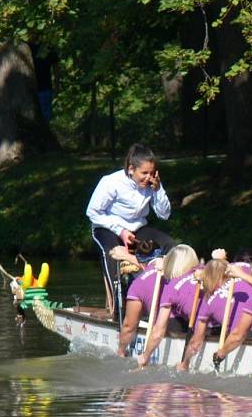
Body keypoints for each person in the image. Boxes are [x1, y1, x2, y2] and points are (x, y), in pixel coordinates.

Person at [86, 143, 175, 318]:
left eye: (152, 173)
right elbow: (92, 212)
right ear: (131, 169)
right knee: (111, 254)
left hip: (137, 228)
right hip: (107, 228)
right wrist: (119, 230)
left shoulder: (153, 184)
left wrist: (157, 190)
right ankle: (117, 309)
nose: (148, 178)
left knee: (171, 247)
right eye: (144, 173)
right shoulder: (111, 182)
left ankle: (167, 300)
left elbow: (164, 214)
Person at [136, 244, 201, 367]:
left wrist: (145, 356)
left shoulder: (171, 287)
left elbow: (158, 331)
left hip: (205, 327)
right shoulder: (202, 270)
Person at [29, 43, 59, 121]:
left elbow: (56, 68)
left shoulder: (48, 47)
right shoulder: (26, 46)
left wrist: (57, 85)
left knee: (44, 117)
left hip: (44, 89)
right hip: (29, 88)